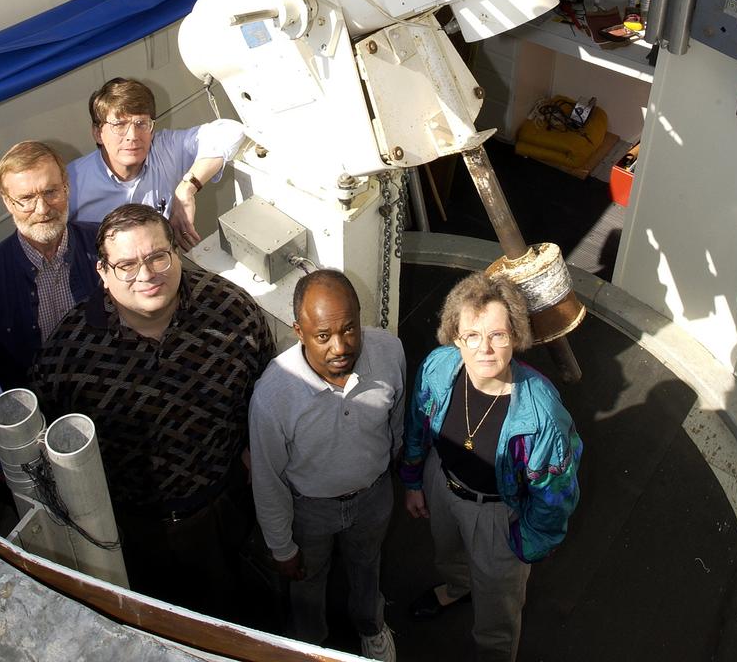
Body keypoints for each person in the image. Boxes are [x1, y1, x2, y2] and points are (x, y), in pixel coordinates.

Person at [30, 202, 274, 615]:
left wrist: (254, 450)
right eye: (126, 264)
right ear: (103, 274)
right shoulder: (67, 354)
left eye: (157, 256)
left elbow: (266, 391)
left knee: (234, 605)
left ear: (176, 253)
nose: (145, 275)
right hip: (130, 530)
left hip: (224, 507)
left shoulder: (232, 310)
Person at [400, 271, 582, 662]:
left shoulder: (541, 415)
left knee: (498, 611)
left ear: (515, 337)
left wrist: (524, 546)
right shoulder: (438, 368)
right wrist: (415, 480)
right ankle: (457, 587)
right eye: (472, 336)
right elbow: (417, 422)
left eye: (498, 335)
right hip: (441, 482)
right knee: (447, 554)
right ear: (456, 336)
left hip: (498, 513)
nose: (484, 349)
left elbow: (557, 495)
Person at [248, 269, 404, 662]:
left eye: (350, 329)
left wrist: (390, 465)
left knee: (368, 566)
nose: (340, 346)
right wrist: (282, 548)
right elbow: (267, 479)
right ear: (299, 331)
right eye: (323, 336)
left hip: (373, 498)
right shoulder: (273, 395)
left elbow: (397, 421)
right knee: (306, 582)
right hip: (310, 510)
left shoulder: (389, 352)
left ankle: (371, 626)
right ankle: (309, 646)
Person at [0, 142, 99, 391]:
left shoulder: (106, 244)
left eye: (51, 191)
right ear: (8, 203)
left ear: (67, 188)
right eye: (26, 199)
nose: (42, 209)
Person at [66, 76, 245, 249]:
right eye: (119, 125)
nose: (133, 136)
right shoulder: (72, 181)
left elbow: (232, 131)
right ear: (98, 133)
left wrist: (187, 188)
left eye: (141, 124)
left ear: (152, 129)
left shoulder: (163, 149)